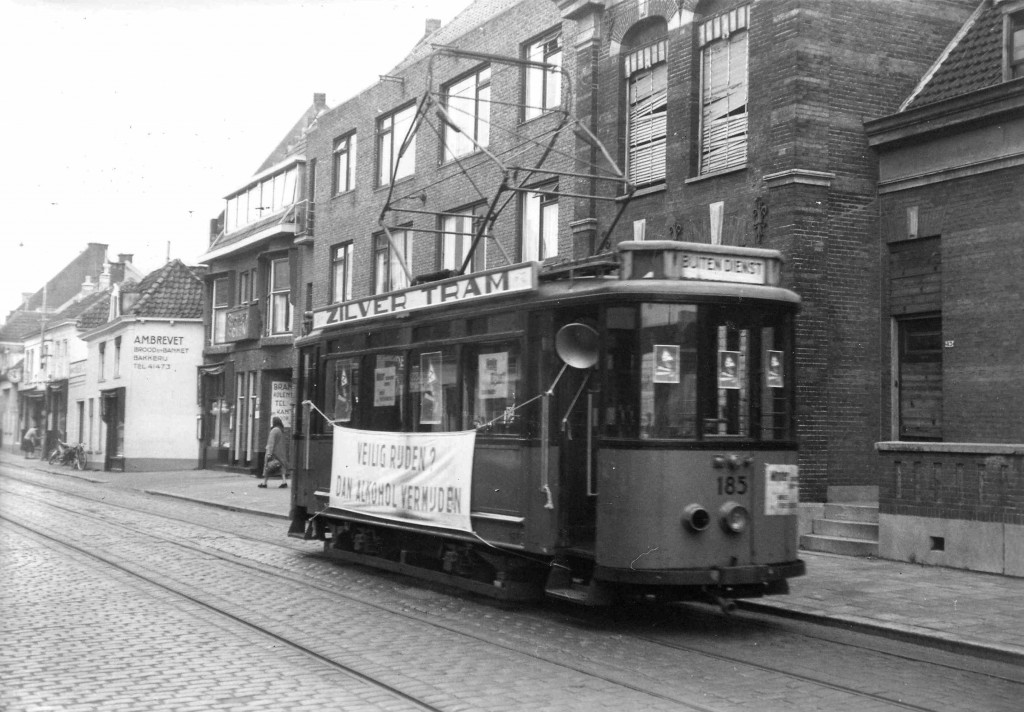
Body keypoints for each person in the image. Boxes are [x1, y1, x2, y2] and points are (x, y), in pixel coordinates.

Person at [258, 416, 287, 488]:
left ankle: (264, 483)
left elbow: (271, 442)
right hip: (281, 452)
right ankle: (284, 481)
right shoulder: (281, 430)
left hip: (274, 452)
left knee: (267, 466)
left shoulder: (274, 430)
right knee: (281, 466)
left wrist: (269, 453)